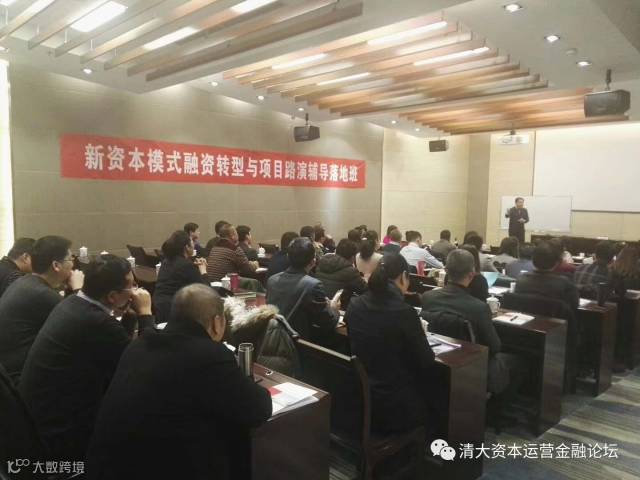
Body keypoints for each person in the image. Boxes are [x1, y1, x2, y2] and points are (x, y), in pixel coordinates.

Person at [86, 285, 271, 480]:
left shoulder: (139, 345)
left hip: (105, 467)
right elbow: (259, 409)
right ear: (217, 323)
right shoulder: (209, 355)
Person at [19, 256, 155, 461]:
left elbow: (118, 351)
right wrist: (145, 313)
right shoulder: (97, 322)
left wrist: (128, 315)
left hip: (37, 420)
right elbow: (145, 365)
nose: (135, 291)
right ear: (112, 296)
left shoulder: (73, 302)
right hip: (62, 435)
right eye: (132, 286)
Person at [345, 254, 442, 436]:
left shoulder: (355, 304)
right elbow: (427, 360)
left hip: (359, 394)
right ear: (404, 277)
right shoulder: (404, 313)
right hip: (395, 404)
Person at [421, 249, 509, 395]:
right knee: (517, 362)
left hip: (438, 364)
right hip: (474, 367)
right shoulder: (479, 308)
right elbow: (494, 347)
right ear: (471, 274)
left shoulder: (428, 297)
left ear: (446, 270)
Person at [0, 236, 84, 383]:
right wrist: (78, 289)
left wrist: (70, 291)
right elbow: (82, 325)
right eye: (70, 259)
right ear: (56, 265)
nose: (73, 264)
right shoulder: (41, 293)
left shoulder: (25, 282)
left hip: (9, 372)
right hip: (21, 380)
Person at [266, 237, 339, 341]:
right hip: (298, 344)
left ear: (288, 257)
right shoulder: (313, 285)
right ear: (313, 261)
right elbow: (328, 322)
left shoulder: (272, 280)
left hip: (272, 339)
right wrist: (333, 308)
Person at [153, 230, 207, 325]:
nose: (194, 244)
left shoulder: (166, 262)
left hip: (160, 308)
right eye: (192, 242)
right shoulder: (187, 266)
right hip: (176, 312)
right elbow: (205, 291)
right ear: (186, 247)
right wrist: (203, 270)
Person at [515, 241, 579, 309]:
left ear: (533, 259)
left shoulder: (521, 279)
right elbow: (574, 306)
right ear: (558, 262)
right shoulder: (566, 284)